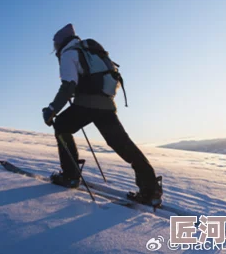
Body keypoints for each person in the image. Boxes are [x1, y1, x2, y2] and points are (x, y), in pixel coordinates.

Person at [42, 23, 162, 206]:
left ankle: (71, 175)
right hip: (107, 105)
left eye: (55, 45)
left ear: (60, 43)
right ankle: (151, 190)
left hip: (86, 104)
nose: (54, 49)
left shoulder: (69, 53)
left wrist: (52, 110)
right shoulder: (90, 50)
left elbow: (68, 85)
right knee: (122, 144)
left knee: (61, 125)